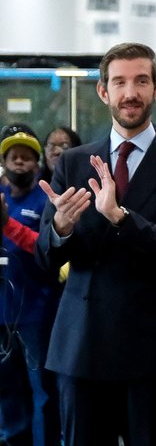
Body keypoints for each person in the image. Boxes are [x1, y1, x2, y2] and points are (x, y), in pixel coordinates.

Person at [35, 41, 156, 446]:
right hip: (83, 345)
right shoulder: (73, 163)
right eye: (120, 82)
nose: (130, 92)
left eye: (141, 81)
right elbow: (47, 258)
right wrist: (60, 226)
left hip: (155, 349)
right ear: (103, 91)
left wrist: (121, 217)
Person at [0, 126, 60, 446]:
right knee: (7, 389)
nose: (20, 162)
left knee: (42, 391)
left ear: (37, 163)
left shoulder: (46, 198)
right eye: (14, 157)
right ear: (4, 162)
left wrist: (7, 224)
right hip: (2, 313)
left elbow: (47, 249)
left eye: (26, 157)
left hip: (37, 311)